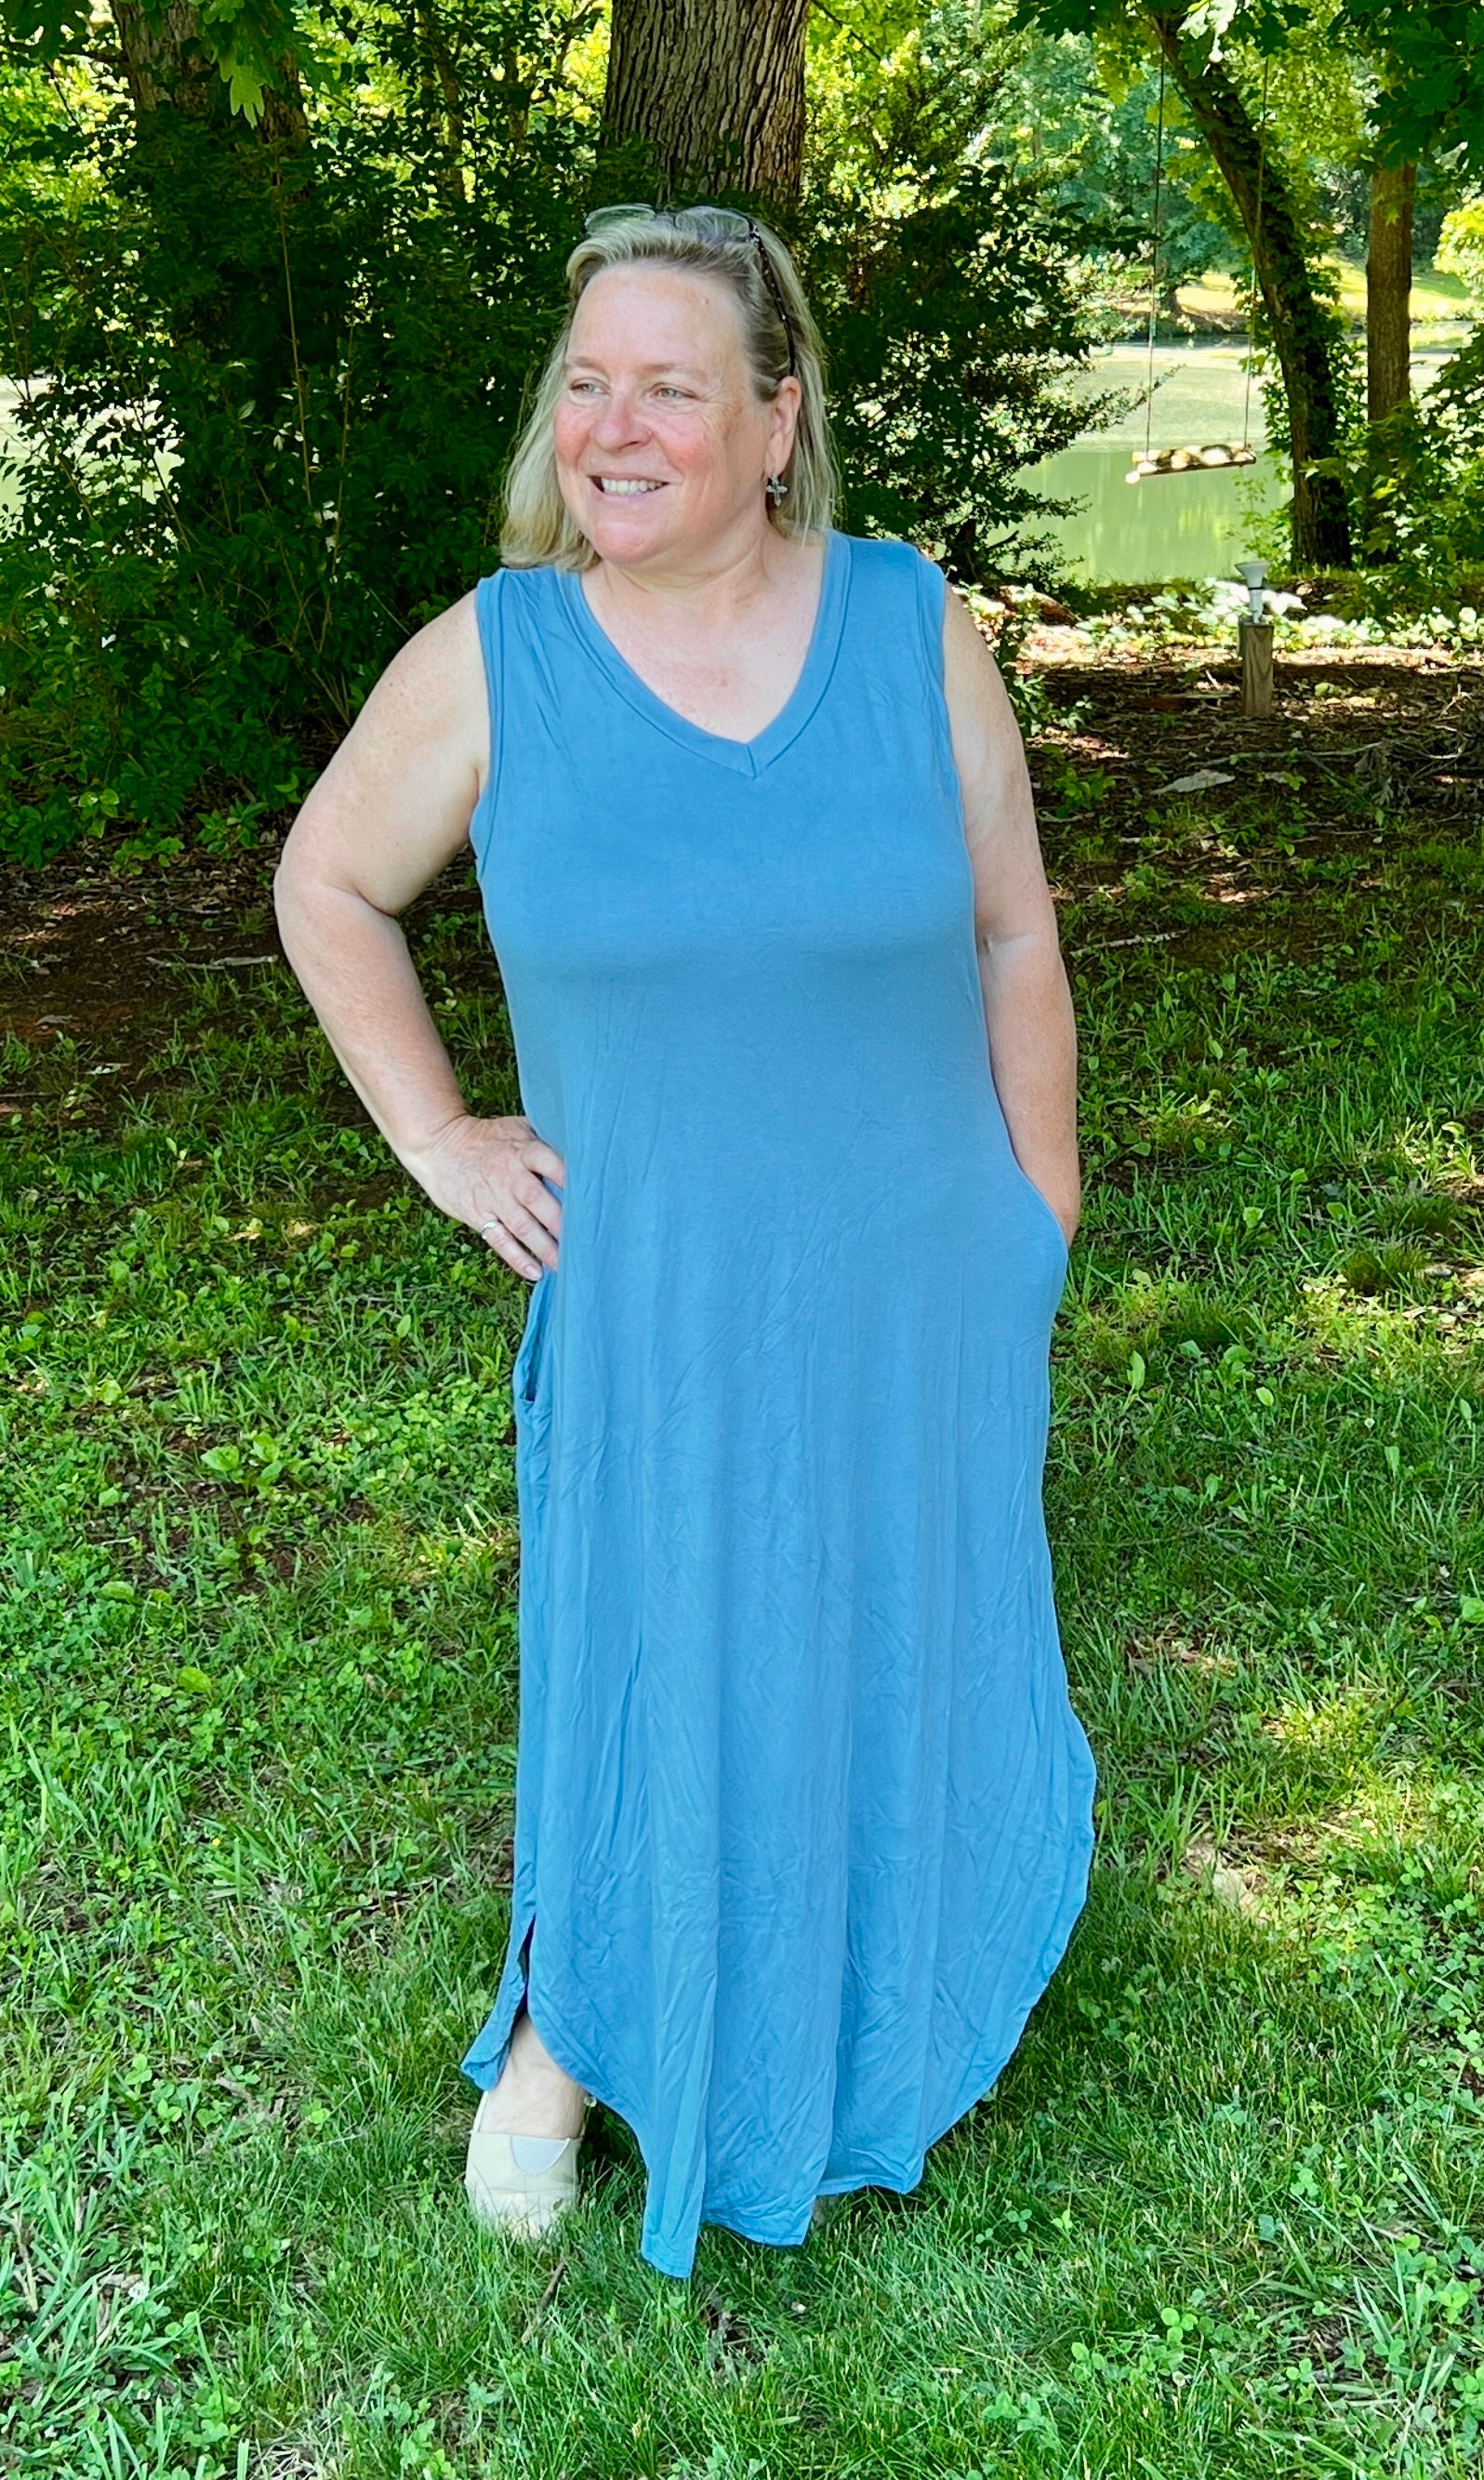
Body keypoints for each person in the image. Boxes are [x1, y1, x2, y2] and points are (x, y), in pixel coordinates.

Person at [272, 202, 1097, 2283]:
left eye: (667, 385)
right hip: (655, 1294)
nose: (613, 428)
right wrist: (440, 1134)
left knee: (891, 1616)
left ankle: (866, 1988)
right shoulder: (498, 657)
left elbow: (1015, 931)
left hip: (919, 1274)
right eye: (586, 386)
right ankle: (565, 2034)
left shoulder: (913, 629)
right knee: (647, 1642)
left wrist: (1042, 1209)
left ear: (776, 417)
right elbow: (327, 885)